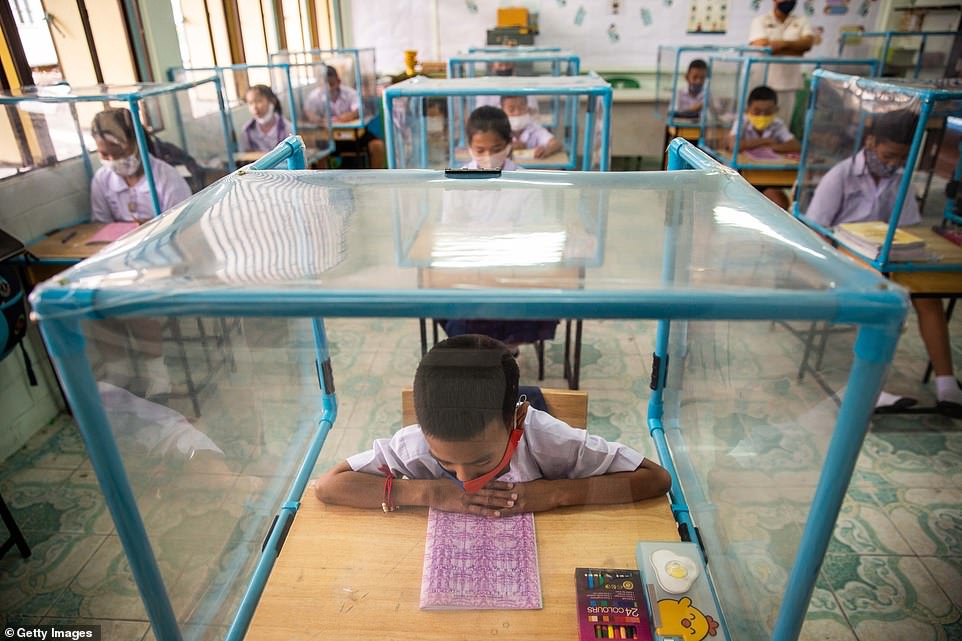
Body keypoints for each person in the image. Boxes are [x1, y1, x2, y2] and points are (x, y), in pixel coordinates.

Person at [314, 335, 672, 516]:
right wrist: (432, 492)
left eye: (482, 462)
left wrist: (555, 493)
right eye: (446, 463)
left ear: (517, 419)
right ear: (424, 431)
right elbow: (330, 486)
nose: (466, 479)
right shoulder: (417, 445)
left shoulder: (547, 438)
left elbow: (655, 479)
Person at [805, 111, 962, 417]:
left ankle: (947, 386)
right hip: (842, 259)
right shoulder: (840, 176)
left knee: (928, 297)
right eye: (888, 155)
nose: (892, 164)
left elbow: (908, 227)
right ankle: (869, 389)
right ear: (871, 142)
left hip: (884, 258)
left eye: (901, 159)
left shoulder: (898, 180)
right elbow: (814, 235)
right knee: (879, 295)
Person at [90, 108, 191, 223]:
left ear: (138, 144)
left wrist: (150, 227)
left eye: (120, 153)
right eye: (104, 154)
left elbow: (182, 223)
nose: (112, 160)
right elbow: (101, 224)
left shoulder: (167, 178)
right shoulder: (102, 179)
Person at [728, 85, 799, 209]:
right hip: (741, 178)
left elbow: (795, 145)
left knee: (779, 202)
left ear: (776, 110)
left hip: (769, 177)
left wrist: (772, 147)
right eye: (757, 111)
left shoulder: (777, 124)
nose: (762, 115)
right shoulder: (742, 121)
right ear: (748, 109)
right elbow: (734, 145)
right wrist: (765, 141)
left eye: (768, 112)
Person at [305, 66, 386, 168]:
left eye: (332, 84)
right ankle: (325, 182)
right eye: (326, 85)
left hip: (354, 136)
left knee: (377, 146)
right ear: (321, 85)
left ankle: (376, 179)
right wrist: (320, 120)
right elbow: (309, 113)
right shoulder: (315, 96)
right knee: (317, 154)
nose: (329, 88)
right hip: (328, 138)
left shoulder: (350, 93)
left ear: (338, 81)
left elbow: (358, 110)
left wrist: (344, 118)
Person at [749, 0, 814, 123]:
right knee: (758, 123)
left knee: (782, 124)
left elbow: (807, 44)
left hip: (788, 83)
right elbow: (764, 47)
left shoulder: (802, 21)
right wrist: (796, 49)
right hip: (763, 82)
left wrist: (781, 44)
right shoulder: (760, 21)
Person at [501, 94, 562, 159]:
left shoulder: (535, 128)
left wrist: (546, 150)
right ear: (502, 111)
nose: (517, 113)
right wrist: (509, 147)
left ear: (528, 108)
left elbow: (557, 144)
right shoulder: (499, 130)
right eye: (511, 110)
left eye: (521, 108)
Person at [239, 84, 292, 153]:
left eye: (258, 101)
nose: (254, 107)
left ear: (272, 101)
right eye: (250, 103)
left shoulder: (287, 128)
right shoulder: (247, 130)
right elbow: (244, 156)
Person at [463, 105, 518, 170]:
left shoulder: (521, 177)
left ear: (508, 144)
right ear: (470, 146)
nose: (488, 157)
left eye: (496, 150)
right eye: (480, 151)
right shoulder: (461, 178)